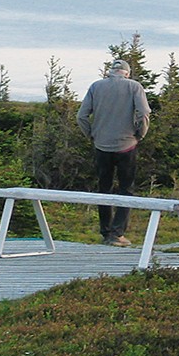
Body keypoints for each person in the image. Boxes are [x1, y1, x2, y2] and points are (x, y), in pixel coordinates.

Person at [76, 59, 152, 246]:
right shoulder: (135, 87)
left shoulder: (96, 86)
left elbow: (81, 116)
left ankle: (105, 232)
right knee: (126, 189)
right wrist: (140, 134)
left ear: (111, 71)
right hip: (127, 146)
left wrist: (91, 134)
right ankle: (117, 234)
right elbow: (143, 114)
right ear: (127, 73)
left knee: (104, 189)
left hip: (101, 146)